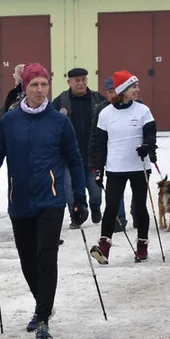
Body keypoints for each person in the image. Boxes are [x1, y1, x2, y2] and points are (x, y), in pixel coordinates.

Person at [0, 64, 88, 339]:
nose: (40, 90)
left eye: (43, 84)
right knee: (27, 259)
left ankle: (42, 317)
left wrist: (79, 197)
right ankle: (43, 304)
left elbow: (75, 161)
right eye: (34, 85)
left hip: (51, 201)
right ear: (24, 88)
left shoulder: (59, 122)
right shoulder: (10, 121)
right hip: (20, 201)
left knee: (46, 257)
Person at [89, 71, 157, 264]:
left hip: (139, 167)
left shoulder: (143, 111)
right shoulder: (105, 114)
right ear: (122, 90)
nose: (137, 90)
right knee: (110, 207)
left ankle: (142, 245)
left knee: (139, 206)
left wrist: (147, 146)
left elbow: (151, 135)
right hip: (115, 168)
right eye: (133, 87)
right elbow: (100, 144)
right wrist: (98, 169)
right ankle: (104, 247)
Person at [53, 67, 108, 226]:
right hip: (68, 156)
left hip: (92, 155)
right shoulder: (60, 101)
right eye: (77, 80)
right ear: (69, 82)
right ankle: (75, 216)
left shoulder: (98, 100)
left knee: (95, 190)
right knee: (69, 189)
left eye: (84, 79)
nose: (81, 83)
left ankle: (95, 207)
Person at [98, 76, 127, 230]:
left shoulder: (136, 106)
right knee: (116, 192)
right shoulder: (102, 109)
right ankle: (119, 219)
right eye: (110, 92)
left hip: (134, 157)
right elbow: (96, 136)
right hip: (113, 158)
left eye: (116, 91)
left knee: (138, 192)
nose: (113, 95)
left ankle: (136, 214)